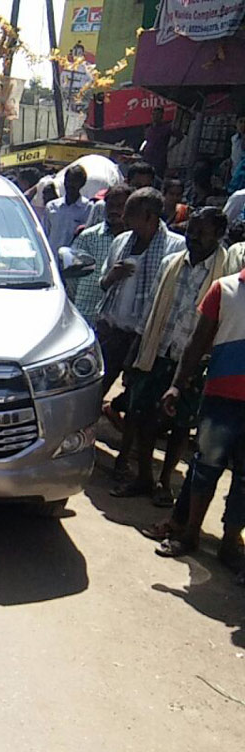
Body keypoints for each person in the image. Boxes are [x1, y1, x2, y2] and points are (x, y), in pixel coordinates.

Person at [111, 207, 229, 504]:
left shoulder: (225, 275)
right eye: (191, 230)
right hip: (159, 351)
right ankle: (144, 478)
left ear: (218, 235)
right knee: (144, 416)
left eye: (201, 233)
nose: (193, 238)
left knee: (180, 425)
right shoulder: (171, 263)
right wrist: (135, 353)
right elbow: (150, 311)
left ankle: (165, 482)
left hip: (194, 362)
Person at [148, 231, 245, 563]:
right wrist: (177, 383)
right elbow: (197, 343)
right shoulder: (226, 290)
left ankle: (230, 544)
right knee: (205, 468)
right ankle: (188, 533)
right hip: (221, 400)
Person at [96, 187, 185, 396]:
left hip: (146, 339)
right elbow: (103, 283)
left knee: (136, 397)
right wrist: (112, 276)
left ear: (149, 216)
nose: (124, 217)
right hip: (113, 332)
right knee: (96, 390)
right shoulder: (121, 241)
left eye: (131, 212)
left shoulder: (175, 248)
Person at [63, 183, 131, 322]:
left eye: (120, 206)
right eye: (110, 205)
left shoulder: (134, 239)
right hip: (87, 312)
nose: (114, 210)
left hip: (115, 320)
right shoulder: (88, 237)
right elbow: (72, 278)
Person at [44, 165, 93, 255]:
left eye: (74, 181)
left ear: (82, 183)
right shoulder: (52, 206)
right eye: (68, 180)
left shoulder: (88, 208)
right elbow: (45, 234)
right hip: (52, 260)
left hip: (74, 262)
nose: (70, 185)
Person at [141, 107, 176, 176]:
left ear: (161, 116)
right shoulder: (149, 129)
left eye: (157, 114)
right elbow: (146, 141)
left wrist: (170, 147)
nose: (155, 116)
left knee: (157, 176)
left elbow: (180, 136)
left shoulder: (167, 128)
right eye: (153, 114)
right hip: (148, 157)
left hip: (159, 158)